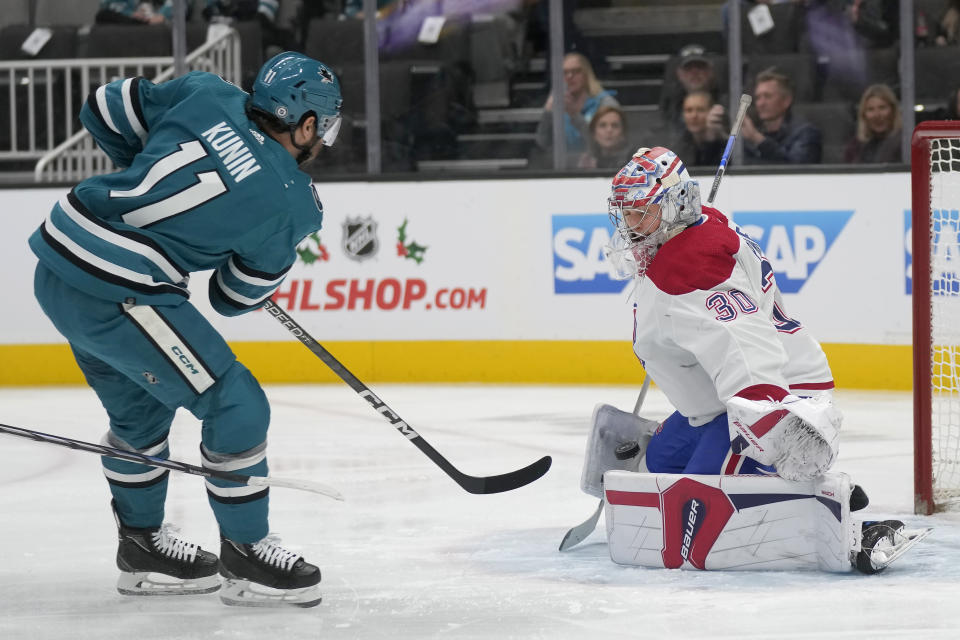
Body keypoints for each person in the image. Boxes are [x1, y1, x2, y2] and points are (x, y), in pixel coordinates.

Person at [27, 51, 343, 607]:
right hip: (118, 288)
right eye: (324, 129)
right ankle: (246, 555)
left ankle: (143, 547)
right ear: (307, 123)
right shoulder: (295, 202)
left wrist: (142, 177)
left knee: (140, 412)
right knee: (235, 404)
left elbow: (102, 106)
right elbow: (231, 297)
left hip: (59, 266)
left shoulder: (207, 91)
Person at [601, 145, 919, 573]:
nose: (631, 226)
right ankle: (772, 477)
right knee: (661, 466)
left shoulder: (693, 266)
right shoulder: (696, 227)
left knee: (699, 503)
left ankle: (846, 522)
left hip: (767, 397)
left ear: (675, 204)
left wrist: (769, 421)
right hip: (716, 403)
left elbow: (746, 345)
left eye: (641, 212)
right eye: (626, 213)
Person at [532, 52, 618, 167]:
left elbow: (605, 145)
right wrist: (548, 113)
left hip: (598, 169)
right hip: (565, 170)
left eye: (576, 71)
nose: (570, 76)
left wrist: (575, 115)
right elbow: (542, 143)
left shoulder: (605, 104)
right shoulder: (557, 105)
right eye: (565, 73)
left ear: (587, 75)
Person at [742, 68, 822, 164]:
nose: (761, 103)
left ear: (786, 101)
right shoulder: (752, 135)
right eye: (758, 98)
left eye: (768, 96)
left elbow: (797, 168)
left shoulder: (806, 133)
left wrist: (757, 139)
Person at [658, 44, 728, 135]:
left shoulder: (726, 106)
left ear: (710, 72)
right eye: (688, 68)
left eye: (700, 67)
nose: (694, 72)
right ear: (679, 74)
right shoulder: (670, 110)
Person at [844, 83, 902, 164]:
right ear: (863, 114)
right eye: (870, 109)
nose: (877, 115)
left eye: (882, 108)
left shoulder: (905, 144)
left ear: (893, 111)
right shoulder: (855, 147)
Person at [668, 90, 726, 168]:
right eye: (689, 110)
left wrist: (712, 139)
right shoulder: (677, 146)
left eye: (700, 110)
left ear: (711, 112)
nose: (694, 116)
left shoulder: (724, 144)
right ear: (682, 115)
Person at [578, 105, 631, 170]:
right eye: (602, 125)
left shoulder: (635, 161)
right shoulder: (588, 161)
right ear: (594, 133)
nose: (609, 130)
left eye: (615, 125)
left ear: (623, 133)